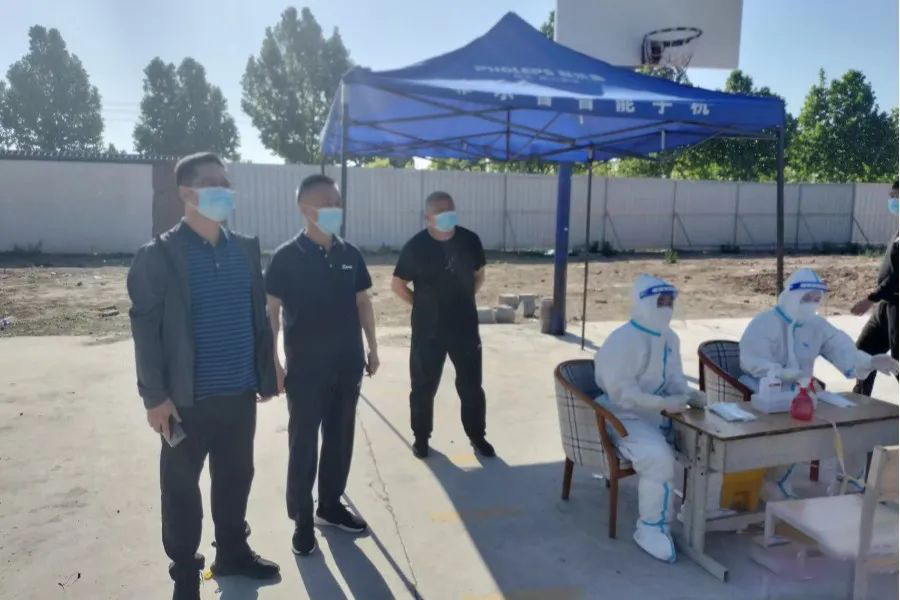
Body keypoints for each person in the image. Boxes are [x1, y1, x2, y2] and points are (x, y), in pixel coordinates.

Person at [127, 152, 280, 600]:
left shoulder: (245, 249)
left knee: (236, 477)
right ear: (186, 193)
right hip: (183, 401)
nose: (224, 191)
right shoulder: (159, 256)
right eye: (213, 183)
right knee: (180, 489)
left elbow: (259, 317)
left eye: (226, 183)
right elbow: (145, 331)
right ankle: (185, 571)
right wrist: (154, 397)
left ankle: (232, 552)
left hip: (238, 394)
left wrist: (268, 369)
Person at [265, 174, 379, 557]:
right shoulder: (286, 257)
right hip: (306, 369)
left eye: (337, 203)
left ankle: (329, 506)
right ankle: (302, 518)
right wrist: (273, 363)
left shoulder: (350, 254)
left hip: (347, 364)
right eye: (326, 203)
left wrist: (372, 348)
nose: (334, 209)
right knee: (303, 444)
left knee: (340, 437)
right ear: (305, 208)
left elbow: (363, 303)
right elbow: (272, 313)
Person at [739, 268, 898, 498]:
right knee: (791, 434)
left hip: (805, 395)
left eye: (816, 299)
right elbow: (750, 361)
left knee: (853, 427)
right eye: (806, 298)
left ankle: (849, 484)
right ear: (791, 296)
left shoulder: (816, 326)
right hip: (764, 396)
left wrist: (871, 361)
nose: (811, 304)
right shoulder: (765, 323)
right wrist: (781, 374)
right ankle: (777, 486)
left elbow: (843, 350)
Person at [593, 275, 707, 563]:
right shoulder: (623, 340)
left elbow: (674, 379)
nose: (666, 307)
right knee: (658, 458)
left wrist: (689, 395)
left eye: (670, 302)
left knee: (705, 443)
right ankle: (651, 528)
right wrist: (663, 403)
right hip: (621, 415)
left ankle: (697, 509)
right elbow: (622, 393)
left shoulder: (670, 338)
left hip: (658, 413)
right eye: (660, 301)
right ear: (643, 302)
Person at [391, 191, 495, 459]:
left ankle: (477, 435)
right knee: (423, 386)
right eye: (440, 212)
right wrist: (421, 305)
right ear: (428, 217)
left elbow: (479, 275)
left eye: (450, 210)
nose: (446, 216)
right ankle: (421, 437)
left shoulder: (470, 241)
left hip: (464, 327)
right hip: (428, 330)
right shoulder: (416, 247)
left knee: (471, 386)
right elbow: (398, 285)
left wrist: (465, 298)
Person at [851, 180, 899, 396]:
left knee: (897, 362)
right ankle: (860, 401)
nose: (893, 201)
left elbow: (897, 278)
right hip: (886, 306)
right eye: (892, 196)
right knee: (864, 353)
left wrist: (871, 298)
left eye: (897, 197)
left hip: (896, 305)